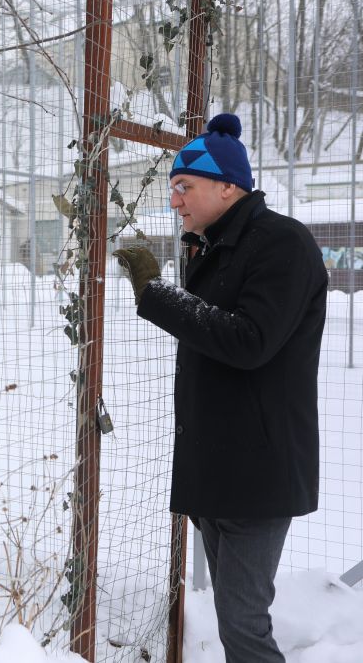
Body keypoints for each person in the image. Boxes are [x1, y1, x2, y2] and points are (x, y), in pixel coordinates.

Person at [113, 113, 328, 662]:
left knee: (243, 624)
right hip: (218, 466)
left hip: (259, 469)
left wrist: (155, 296)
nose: (175, 202)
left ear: (228, 185)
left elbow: (250, 341)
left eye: (184, 187)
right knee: (237, 620)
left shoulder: (283, 244)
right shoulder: (213, 247)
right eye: (172, 191)